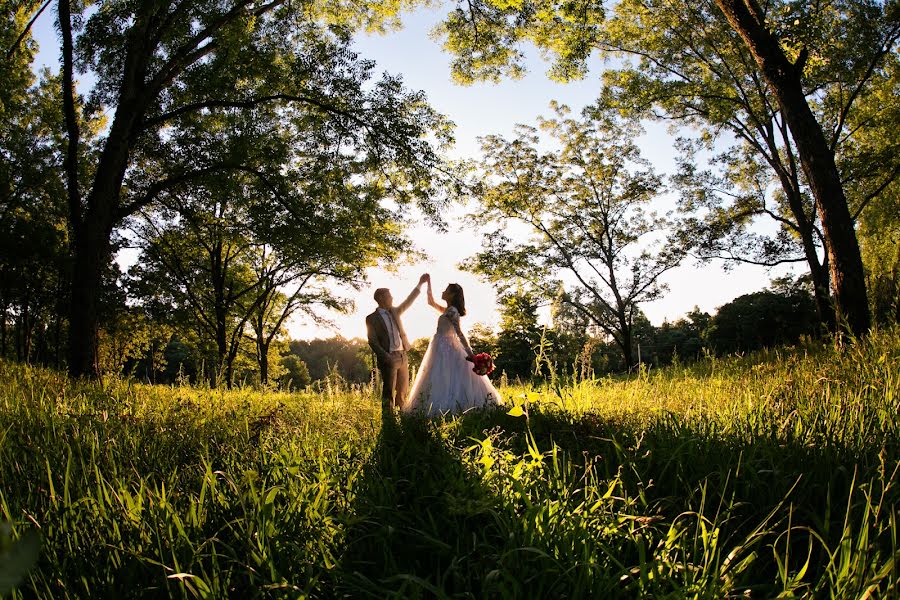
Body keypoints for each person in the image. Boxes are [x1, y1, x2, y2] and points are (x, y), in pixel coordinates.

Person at [403, 275, 501, 416]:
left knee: (447, 376)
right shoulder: (448, 310)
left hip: (447, 349)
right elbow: (430, 302)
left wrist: (471, 354)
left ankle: (449, 408)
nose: (443, 291)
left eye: (446, 290)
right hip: (440, 347)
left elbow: (459, 333)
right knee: (439, 376)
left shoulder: (452, 312)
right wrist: (428, 282)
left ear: (452, 294)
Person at [366, 275, 428, 411]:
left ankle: (402, 418)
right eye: (389, 296)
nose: (392, 298)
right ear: (381, 298)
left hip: (402, 355)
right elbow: (373, 341)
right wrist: (385, 356)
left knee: (402, 391)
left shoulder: (395, 311)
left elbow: (409, 301)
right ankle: (388, 421)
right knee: (388, 392)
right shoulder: (372, 318)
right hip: (389, 358)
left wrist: (420, 284)